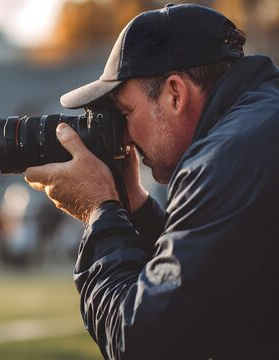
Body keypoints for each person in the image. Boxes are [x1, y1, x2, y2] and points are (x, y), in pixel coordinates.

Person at [23, 4, 279, 360]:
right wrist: (135, 204)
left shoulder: (226, 157)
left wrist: (99, 208)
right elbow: (204, 276)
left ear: (175, 93)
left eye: (126, 113)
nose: (124, 136)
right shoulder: (256, 126)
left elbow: (141, 341)